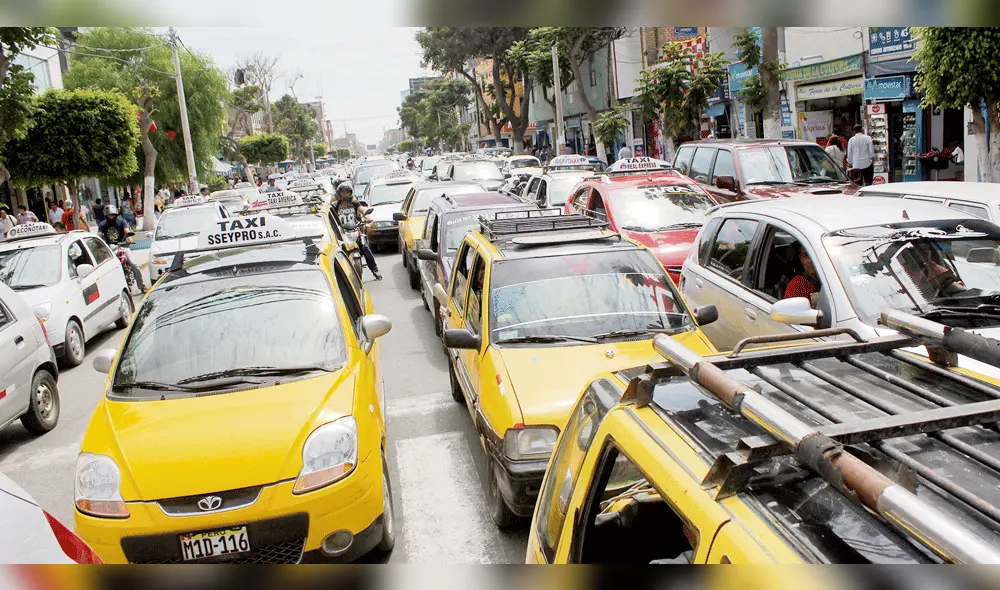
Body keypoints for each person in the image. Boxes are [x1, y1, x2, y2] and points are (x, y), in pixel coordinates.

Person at [334, 181, 382, 280]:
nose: (345, 194)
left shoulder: (354, 202)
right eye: (343, 192)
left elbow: (362, 210)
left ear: (350, 192)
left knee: (365, 248)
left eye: (347, 192)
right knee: (336, 250)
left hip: (355, 230)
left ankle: (375, 270)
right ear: (339, 193)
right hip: (341, 232)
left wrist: (368, 216)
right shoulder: (336, 204)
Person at [99, 205, 147, 294]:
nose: (111, 217)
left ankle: (141, 286)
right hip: (110, 248)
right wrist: (99, 244)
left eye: (113, 215)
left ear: (116, 214)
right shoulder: (102, 224)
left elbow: (126, 230)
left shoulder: (121, 221)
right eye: (109, 215)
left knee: (134, 265)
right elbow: (99, 235)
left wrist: (129, 238)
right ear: (106, 216)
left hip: (123, 245)